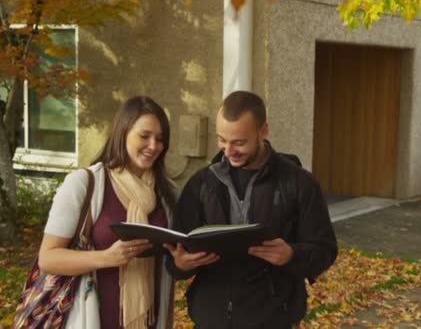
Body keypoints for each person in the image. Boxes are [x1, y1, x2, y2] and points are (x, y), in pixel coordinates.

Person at [165, 90, 338, 329]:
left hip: (274, 317)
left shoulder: (299, 183)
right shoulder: (200, 184)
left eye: (239, 142)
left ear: (263, 131)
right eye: (221, 140)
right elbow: (174, 256)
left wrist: (291, 255)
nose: (228, 151)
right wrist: (180, 265)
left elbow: (325, 251)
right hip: (210, 316)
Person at [38, 96, 176, 329]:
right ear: (122, 132)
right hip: (91, 319)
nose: (154, 146)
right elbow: (48, 258)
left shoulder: (167, 193)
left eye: (160, 139)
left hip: (151, 321)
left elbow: (170, 258)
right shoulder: (84, 184)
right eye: (144, 136)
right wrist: (106, 258)